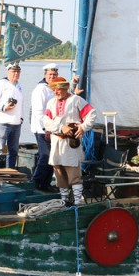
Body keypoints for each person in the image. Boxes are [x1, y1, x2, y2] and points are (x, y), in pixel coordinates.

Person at [43, 75, 98, 206]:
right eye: (54, 89)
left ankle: (78, 202)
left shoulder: (76, 100)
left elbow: (92, 113)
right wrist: (61, 127)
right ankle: (64, 200)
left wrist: (83, 127)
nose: (56, 92)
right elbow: (46, 121)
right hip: (57, 140)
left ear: (65, 88)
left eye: (59, 89)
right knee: (59, 171)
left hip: (70, 142)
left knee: (73, 171)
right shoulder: (51, 102)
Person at [29, 63, 59, 192]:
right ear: (45, 75)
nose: (52, 77)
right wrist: (45, 128)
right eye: (50, 74)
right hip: (41, 129)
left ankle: (45, 183)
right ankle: (36, 182)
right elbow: (38, 111)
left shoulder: (53, 88)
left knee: (53, 156)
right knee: (45, 155)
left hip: (52, 128)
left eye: (54, 74)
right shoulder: (40, 89)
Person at [0, 63, 24, 169]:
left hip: (16, 123)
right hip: (3, 123)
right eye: (13, 71)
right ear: (8, 72)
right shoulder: (1, 84)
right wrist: (4, 107)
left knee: (13, 150)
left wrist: (21, 118)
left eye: (18, 71)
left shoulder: (19, 85)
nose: (16, 74)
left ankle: (9, 174)